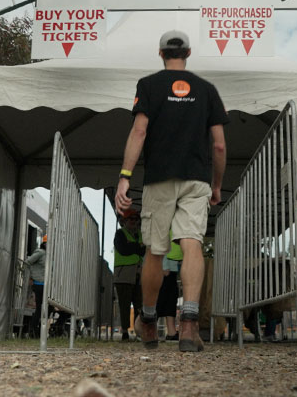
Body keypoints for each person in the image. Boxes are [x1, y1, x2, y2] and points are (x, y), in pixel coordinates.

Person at [114, 29, 228, 352]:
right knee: (192, 244)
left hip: (159, 178)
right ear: (188, 53)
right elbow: (219, 145)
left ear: (160, 53)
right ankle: (189, 324)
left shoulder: (148, 86)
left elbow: (139, 130)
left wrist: (125, 176)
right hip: (196, 179)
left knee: (155, 249)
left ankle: (149, 322)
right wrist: (216, 184)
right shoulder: (207, 90)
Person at [113, 211, 145, 341]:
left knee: (139, 304)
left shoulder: (139, 235)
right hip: (124, 274)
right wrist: (137, 247)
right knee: (124, 304)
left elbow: (143, 251)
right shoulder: (120, 233)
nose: (134, 221)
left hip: (138, 273)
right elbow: (123, 249)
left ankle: (139, 332)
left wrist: (133, 246)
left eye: (136, 219)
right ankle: (125, 331)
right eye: (131, 219)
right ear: (124, 221)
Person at [157, 234, 183, 341]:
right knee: (160, 299)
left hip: (173, 268)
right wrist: (164, 265)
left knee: (171, 299)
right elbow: (161, 241)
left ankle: (171, 332)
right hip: (165, 267)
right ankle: (150, 330)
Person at [25, 234, 47, 338]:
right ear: (45, 243)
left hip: (45, 285)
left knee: (45, 308)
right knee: (39, 308)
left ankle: (36, 329)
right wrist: (31, 277)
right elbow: (28, 262)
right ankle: (33, 330)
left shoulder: (47, 254)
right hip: (39, 284)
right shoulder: (40, 253)